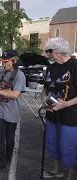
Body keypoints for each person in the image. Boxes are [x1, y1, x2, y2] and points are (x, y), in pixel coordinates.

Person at [0, 49, 26, 171]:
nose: (3, 64)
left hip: (12, 113)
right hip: (0, 110)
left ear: (14, 61)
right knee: (0, 138)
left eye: (6, 62)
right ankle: (1, 161)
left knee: (9, 138)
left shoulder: (20, 75)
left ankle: (8, 158)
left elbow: (15, 95)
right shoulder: (2, 73)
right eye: (2, 61)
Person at [43, 37, 77, 180]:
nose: (47, 54)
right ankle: (57, 170)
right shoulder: (52, 66)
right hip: (52, 114)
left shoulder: (75, 66)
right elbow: (45, 88)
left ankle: (70, 176)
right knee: (53, 143)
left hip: (70, 117)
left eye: (49, 51)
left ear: (57, 51)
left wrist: (66, 104)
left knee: (68, 148)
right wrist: (45, 100)